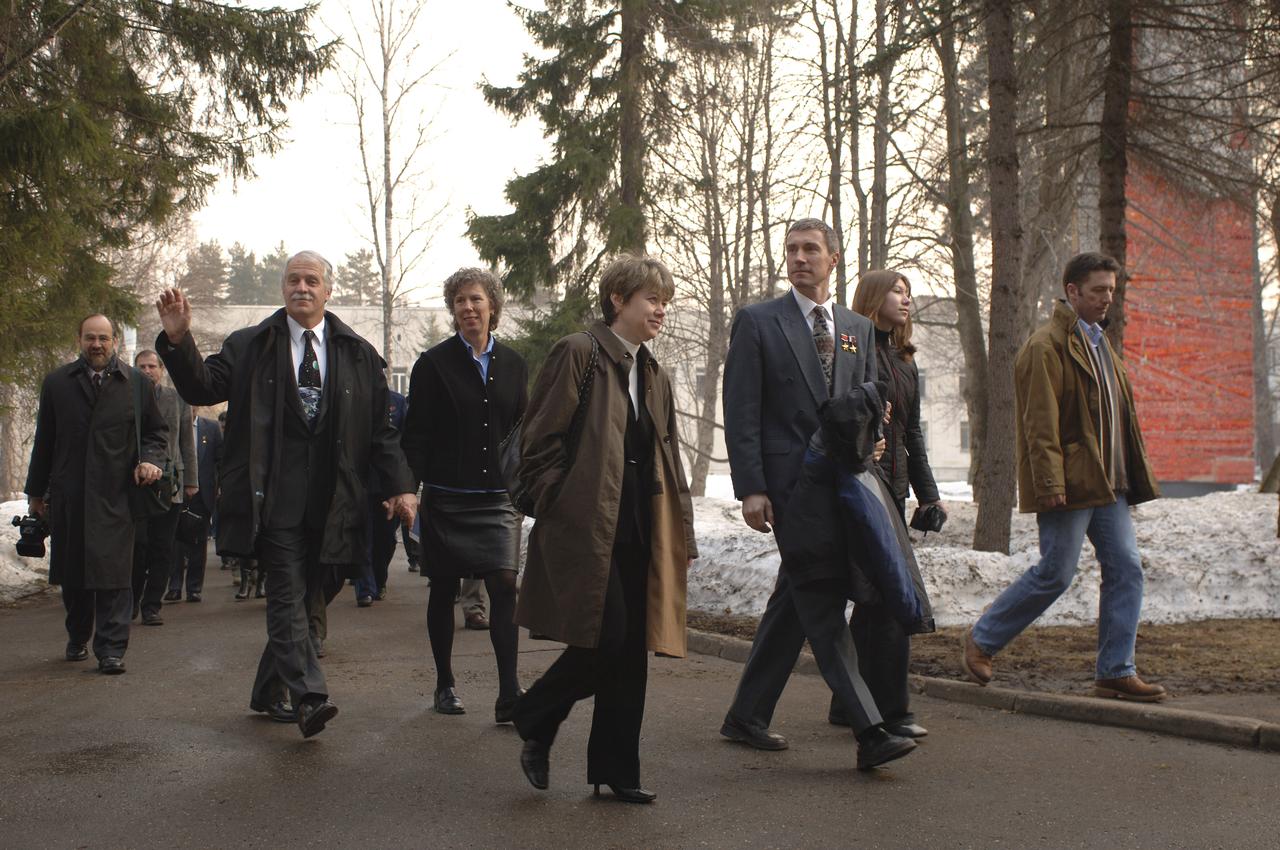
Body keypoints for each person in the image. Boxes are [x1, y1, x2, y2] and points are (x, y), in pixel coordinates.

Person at [154, 250, 417, 737]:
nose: (302, 288)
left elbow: (381, 431)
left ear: (327, 290)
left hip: (335, 497)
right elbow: (201, 386)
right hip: (272, 497)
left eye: (311, 280)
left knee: (321, 587)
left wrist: (402, 486)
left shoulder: (356, 352)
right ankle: (308, 695)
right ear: (282, 288)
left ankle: (265, 689)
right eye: (293, 279)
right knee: (287, 593)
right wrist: (177, 340)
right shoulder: (250, 344)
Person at [719, 219, 916, 770]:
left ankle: (746, 714)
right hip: (788, 490)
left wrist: (871, 438)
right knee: (823, 599)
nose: (799, 258)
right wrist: (752, 488)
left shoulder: (854, 326)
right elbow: (742, 412)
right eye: (791, 249)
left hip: (844, 484)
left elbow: (861, 400)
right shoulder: (759, 322)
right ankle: (870, 728)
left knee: (796, 598)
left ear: (833, 258)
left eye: (811, 250)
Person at [512, 255, 697, 804]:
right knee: (608, 637)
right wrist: (560, 502)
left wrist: (680, 533)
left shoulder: (653, 372)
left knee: (630, 647)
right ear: (619, 300)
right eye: (651, 299)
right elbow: (538, 442)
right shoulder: (579, 353)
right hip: (589, 524)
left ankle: (615, 769)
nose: (661, 309)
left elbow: (671, 458)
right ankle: (535, 712)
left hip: (643, 525)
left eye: (665, 300)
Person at [962, 252, 1164, 701]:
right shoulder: (1045, 346)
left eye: (1111, 290)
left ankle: (1115, 668)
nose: (1107, 298)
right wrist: (1051, 482)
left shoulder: (1100, 344)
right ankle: (983, 639)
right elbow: (1039, 424)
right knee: (1056, 572)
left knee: (1127, 569)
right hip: (1071, 484)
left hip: (1108, 484)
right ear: (1072, 291)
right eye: (1098, 290)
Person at [401, 268, 528, 719]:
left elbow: (522, 431)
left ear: (493, 305)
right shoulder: (432, 365)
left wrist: (530, 485)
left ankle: (509, 692)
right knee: (443, 588)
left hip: (497, 497)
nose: (468, 308)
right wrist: (408, 490)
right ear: (452, 309)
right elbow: (415, 434)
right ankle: (444, 684)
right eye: (459, 301)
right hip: (447, 495)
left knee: (504, 584)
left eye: (476, 299)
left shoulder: (514, 364)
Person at [827, 269, 946, 738]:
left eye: (909, 293)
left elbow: (912, 432)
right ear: (874, 297)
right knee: (894, 595)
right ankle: (894, 711)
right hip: (860, 488)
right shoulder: (852, 349)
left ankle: (846, 702)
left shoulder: (905, 360)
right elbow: (842, 411)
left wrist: (930, 493)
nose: (906, 300)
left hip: (892, 490)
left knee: (875, 599)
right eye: (898, 291)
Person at [25, 315, 168, 674]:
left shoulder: (135, 383)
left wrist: (150, 461)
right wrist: (35, 494)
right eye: (91, 338)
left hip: (117, 496)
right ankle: (78, 635)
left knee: (115, 575)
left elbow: (155, 433)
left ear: (115, 340)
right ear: (80, 340)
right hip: (70, 495)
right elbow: (44, 442)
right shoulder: (58, 383)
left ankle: (111, 649)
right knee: (74, 577)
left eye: (104, 338)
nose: (97, 344)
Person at [131, 350, 197, 624]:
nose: (147, 371)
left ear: (161, 370)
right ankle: (130, 601)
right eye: (141, 366)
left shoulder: (176, 398)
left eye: (151, 366)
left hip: (171, 483)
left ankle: (152, 606)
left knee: (162, 547)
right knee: (138, 546)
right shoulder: (126, 395)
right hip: (136, 484)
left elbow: (186, 441)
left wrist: (192, 480)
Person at [356, 388, 408, 606]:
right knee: (362, 537)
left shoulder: (396, 402)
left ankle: (379, 579)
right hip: (359, 481)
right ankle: (365, 588)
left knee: (385, 538)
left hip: (387, 484)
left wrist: (404, 483)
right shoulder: (351, 398)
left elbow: (404, 443)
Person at [169, 409, 222, 602]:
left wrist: (220, 486)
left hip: (203, 494)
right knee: (176, 543)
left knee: (198, 544)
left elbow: (220, 460)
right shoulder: (172, 423)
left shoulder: (212, 428)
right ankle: (174, 587)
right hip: (176, 492)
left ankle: (194, 588)